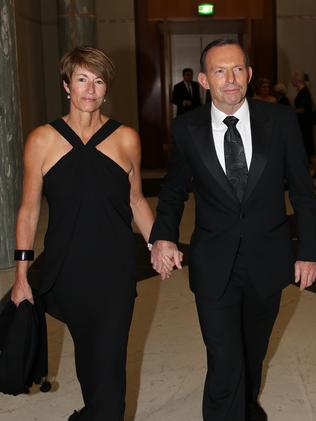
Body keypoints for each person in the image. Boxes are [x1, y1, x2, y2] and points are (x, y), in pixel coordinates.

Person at [150, 38, 316, 421]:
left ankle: (245, 409)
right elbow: (174, 189)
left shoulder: (280, 121)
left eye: (238, 69)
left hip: (268, 259)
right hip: (213, 262)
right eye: (220, 71)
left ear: (250, 75)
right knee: (224, 358)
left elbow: (305, 194)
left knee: (252, 353)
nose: (230, 79)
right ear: (204, 80)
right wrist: (163, 235)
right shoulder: (187, 128)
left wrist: (308, 251)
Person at [11, 46, 156, 421]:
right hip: (68, 269)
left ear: (106, 89)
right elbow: (28, 211)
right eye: (81, 79)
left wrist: (158, 243)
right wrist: (22, 275)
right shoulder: (41, 140)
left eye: (98, 80)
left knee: (110, 357)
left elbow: (137, 201)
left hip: (115, 268)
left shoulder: (126, 138)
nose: (90, 89)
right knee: (92, 355)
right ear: (66, 85)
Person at [292, 71, 315, 160]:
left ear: (298, 80)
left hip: (305, 123)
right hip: (303, 122)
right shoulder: (303, 91)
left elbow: (304, 108)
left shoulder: (304, 92)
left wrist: (293, 111)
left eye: (293, 79)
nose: (291, 81)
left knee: (308, 145)